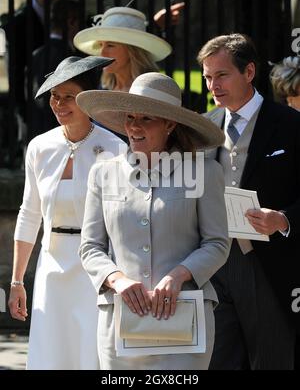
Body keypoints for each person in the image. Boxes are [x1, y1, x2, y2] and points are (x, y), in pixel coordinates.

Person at [76, 72, 229, 370]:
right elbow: (90, 247)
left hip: (186, 320)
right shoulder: (103, 173)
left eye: (146, 119)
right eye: (130, 117)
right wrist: (116, 279)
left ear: (170, 124)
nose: (134, 126)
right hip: (120, 323)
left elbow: (217, 243)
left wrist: (179, 275)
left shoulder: (205, 172)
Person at [8, 55, 126, 370]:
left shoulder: (115, 149)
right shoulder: (38, 147)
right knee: (50, 352)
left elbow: (123, 219)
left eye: (69, 97)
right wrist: (17, 281)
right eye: (54, 97)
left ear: (87, 100)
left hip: (96, 266)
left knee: (91, 352)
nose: (60, 104)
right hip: (51, 266)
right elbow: (29, 213)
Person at [197, 33, 300, 370]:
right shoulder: (205, 127)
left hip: (268, 263)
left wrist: (283, 220)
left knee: (270, 360)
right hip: (215, 262)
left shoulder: (290, 125)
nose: (213, 85)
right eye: (208, 77)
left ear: (250, 72)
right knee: (218, 360)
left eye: (221, 75)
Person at [73, 6, 172, 91]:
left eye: (110, 45)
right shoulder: (105, 88)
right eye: (100, 45)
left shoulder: (152, 90)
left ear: (132, 51)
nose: (102, 53)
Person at [30, 0, 81, 139]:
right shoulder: (70, 58)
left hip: (36, 128)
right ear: (71, 22)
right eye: (79, 23)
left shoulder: (36, 54)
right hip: (63, 131)